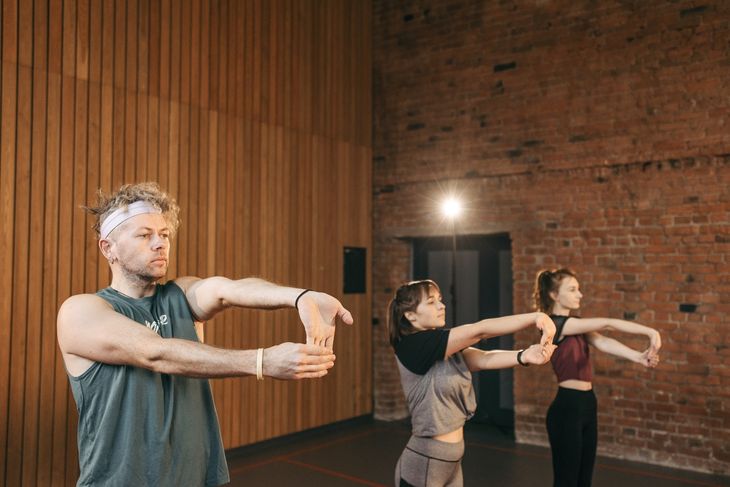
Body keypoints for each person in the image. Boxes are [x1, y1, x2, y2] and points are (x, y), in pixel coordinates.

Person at [56, 182, 354, 486]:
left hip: (198, 479)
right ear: (109, 248)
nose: (160, 244)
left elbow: (229, 289)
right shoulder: (81, 311)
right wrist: (262, 361)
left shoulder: (180, 295)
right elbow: (154, 352)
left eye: (165, 235)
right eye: (145, 235)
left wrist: (300, 296)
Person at [387, 279, 557, 487]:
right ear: (410, 315)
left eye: (440, 300)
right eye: (431, 302)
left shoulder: (442, 347)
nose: (442, 306)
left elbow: (483, 358)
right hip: (424, 463)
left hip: (452, 462)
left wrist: (524, 356)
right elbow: (480, 331)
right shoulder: (412, 346)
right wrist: (536, 317)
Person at [534, 268, 661, 487]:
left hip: (587, 404)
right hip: (567, 408)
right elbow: (607, 323)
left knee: (584, 481)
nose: (579, 294)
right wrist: (650, 332)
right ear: (554, 295)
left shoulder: (577, 325)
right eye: (573, 289)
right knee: (567, 481)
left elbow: (603, 342)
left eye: (579, 289)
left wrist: (638, 357)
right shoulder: (555, 325)